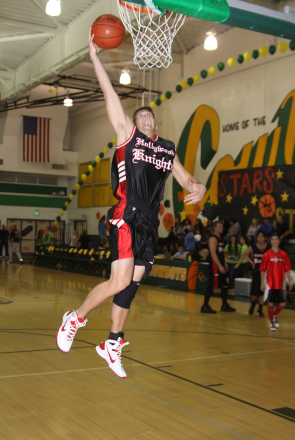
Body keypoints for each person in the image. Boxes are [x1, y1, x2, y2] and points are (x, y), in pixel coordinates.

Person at [56, 29, 206, 379]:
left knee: (133, 283)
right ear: (133, 124)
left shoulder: (166, 149)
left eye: (149, 116)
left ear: (156, 123)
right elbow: (110, 96)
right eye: (140, 116)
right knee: (119, 280)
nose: (146, 118)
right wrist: (94, 57)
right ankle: (74, 318)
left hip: (149, 225)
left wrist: (200, 189)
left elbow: (188, 180)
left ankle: (112, 341)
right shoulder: (127, 135)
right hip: (127, 214)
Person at [201, 221, 236, 314]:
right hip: (215, 265)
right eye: (220, 226)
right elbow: (213, 253)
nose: (222, 228)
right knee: (211, 285)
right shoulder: (213, 238)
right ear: (215, 228)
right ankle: (204, 306)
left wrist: (225, 263)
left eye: (222, 226)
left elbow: (221, 253)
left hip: (221, 264)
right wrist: (220, 265)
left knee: (225, 284)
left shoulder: (221, 239)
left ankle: (224, 305)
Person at [260, 233, 293, 331]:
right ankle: (271, 322)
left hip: (281, 282)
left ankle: (274, 315)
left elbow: (287, 269)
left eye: (276, 239)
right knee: (271, 303)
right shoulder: (266, 254)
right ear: (270, 241)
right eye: (272, 239)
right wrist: (262, 283)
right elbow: (262, 269)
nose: (274, 241)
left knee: (283, 303)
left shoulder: (283, 254)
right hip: (270, 282)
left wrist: (290, 282)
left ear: (279, 241)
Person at [239, 231, 269, 317]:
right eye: (258, 236)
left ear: (265, 238)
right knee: (254, 292)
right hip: (256, 271)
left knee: (262, 292)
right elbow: (244, 254)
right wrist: (251, 262)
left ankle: (260, 309)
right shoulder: (253, 246)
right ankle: (252, 306)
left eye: (262, 236)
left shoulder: (269, 247)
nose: (260, 238)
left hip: (266, 272)